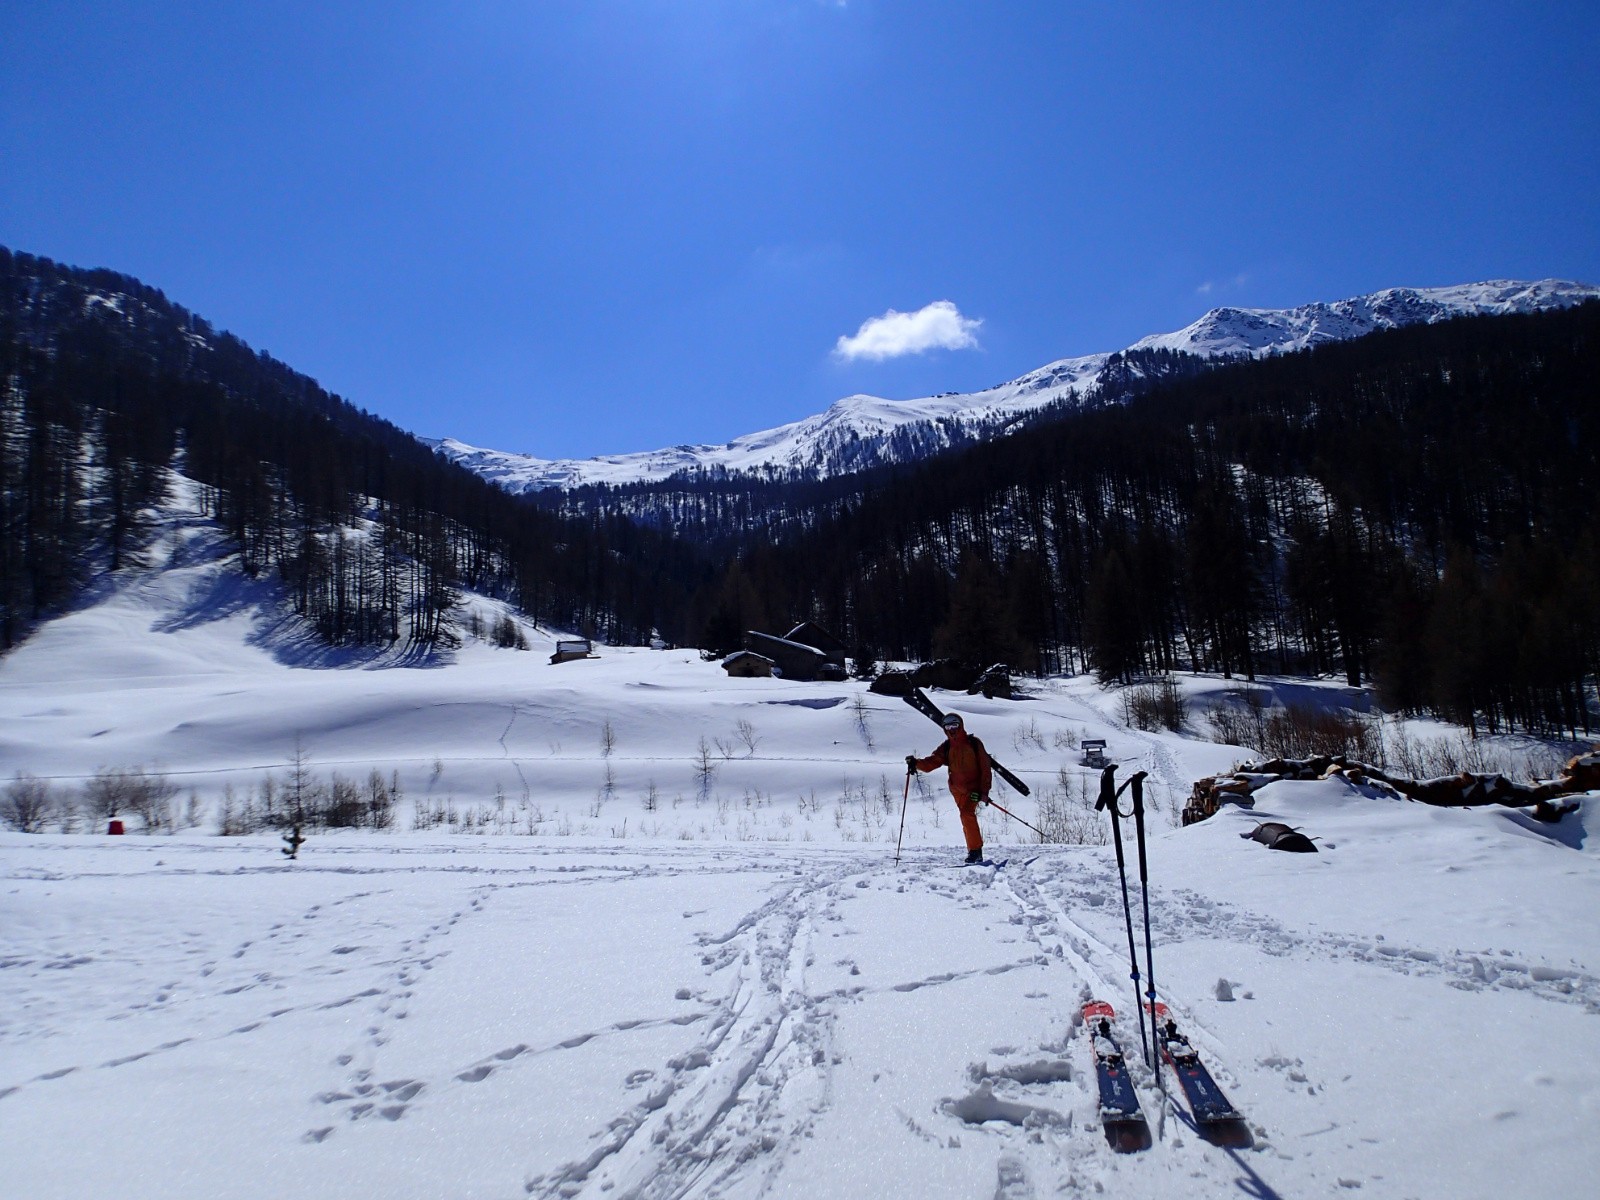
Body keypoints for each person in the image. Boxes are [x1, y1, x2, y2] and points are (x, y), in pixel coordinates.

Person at [907, 712, 993, 863]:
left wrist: (984, 792)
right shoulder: (946, 747)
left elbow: (985, 768)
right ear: (944, 729)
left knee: (967, 814)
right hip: (957, 791)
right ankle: (973, 850)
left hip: (974, 791)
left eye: (955, 725)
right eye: (948, 726)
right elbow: (932, 762)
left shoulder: (973, 743)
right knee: (964, 817)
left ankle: (975, 852)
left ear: (961, 726)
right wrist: (916, 763)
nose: (952, 729)